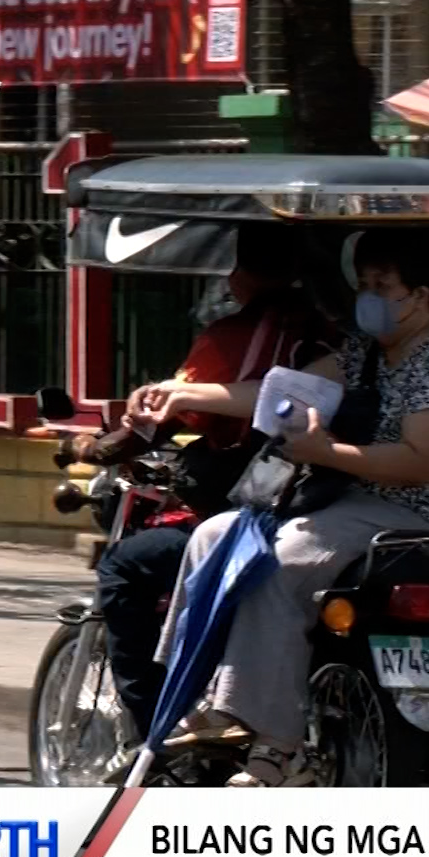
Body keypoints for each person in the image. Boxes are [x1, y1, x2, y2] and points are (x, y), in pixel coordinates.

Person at [143, 230, 429, 787]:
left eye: (383, 286)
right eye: (365, 284)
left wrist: (326, 452)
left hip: (414, 517)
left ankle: (278, 745)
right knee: (214, 534)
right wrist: (181, 394)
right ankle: (203, 693)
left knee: (282, 561)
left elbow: (424, 462)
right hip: (350, 502)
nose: (369, 297)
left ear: (420, 296)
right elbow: (277, 393)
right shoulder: (365, 352)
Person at [66, 225, 337, 739]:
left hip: (253, 512)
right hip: (322, 505)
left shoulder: (236, 337)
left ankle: (157, 728)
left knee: (124, 566)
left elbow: (154, 424)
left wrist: (90, 447)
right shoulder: (335, 335)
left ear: (239, 275)